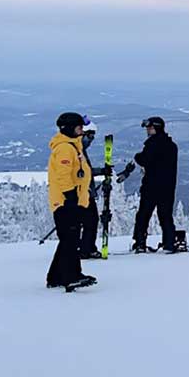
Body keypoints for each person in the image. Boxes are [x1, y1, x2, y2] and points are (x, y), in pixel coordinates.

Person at [46, 112, 96, 291]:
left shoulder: (73, 146)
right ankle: (71, 276)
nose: (82, 131)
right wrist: (71, 197)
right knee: (70, 240)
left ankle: (55, 277)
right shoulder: (65, 149)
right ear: (68, 129)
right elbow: (63, 176)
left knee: (68, 239)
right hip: (66, 203)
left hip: (71, 201)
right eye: (79, 127)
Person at [131, 116, 181, 253]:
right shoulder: (171, 145)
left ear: (156, 128)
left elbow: (144, 160)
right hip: (168, 187)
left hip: (151, 186)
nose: (147, 130)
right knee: (165, 215)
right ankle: (169, 243)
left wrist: (137, 156)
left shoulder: (152, 145)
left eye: (149, 127)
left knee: (143, 215)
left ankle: (140, 242)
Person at [78, 117, 112, 259]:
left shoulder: (80, 149)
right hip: (83, 193)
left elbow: (86, 170)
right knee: (90, 221)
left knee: (88, 221)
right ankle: (86, 249)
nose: (91, 140)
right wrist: (101, 171)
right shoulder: (77, 150)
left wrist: (101, 171)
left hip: (85, 191)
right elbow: (82, 171)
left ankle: (85, 247)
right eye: (90, 136)